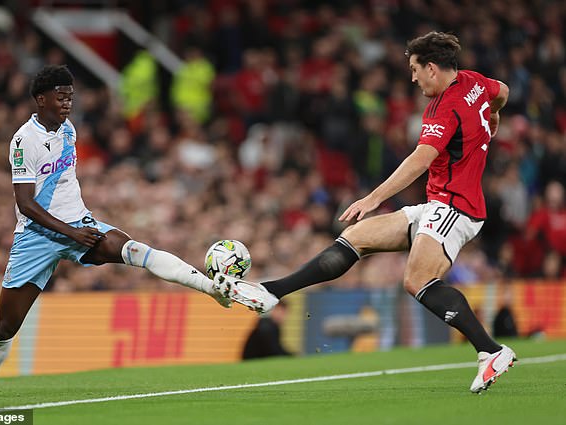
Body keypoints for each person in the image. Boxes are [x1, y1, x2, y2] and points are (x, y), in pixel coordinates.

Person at [215, 32, 516, 393]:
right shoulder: (473, 81)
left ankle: (491, 351)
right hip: (441, 203)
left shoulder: (443, 106)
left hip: (455, 205)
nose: (413, 78)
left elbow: (420, 159)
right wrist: (493, 117)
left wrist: (374, 197)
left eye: (415, 70)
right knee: (355, 239)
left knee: (417, 280)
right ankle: (272, 292)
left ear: (432, 68)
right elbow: (502, 91)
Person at [0, 65, 230, 397]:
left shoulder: (69, 131)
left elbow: (64, 187)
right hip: (36, 237)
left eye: (71, 98)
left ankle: (210, 287)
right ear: (41, 99)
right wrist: (70, 234)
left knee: (135, 250)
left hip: (80, 224)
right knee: (6, 325)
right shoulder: (23, 140)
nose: (67, 104)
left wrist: (78, 227)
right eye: (61, 98)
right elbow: (26, 204)